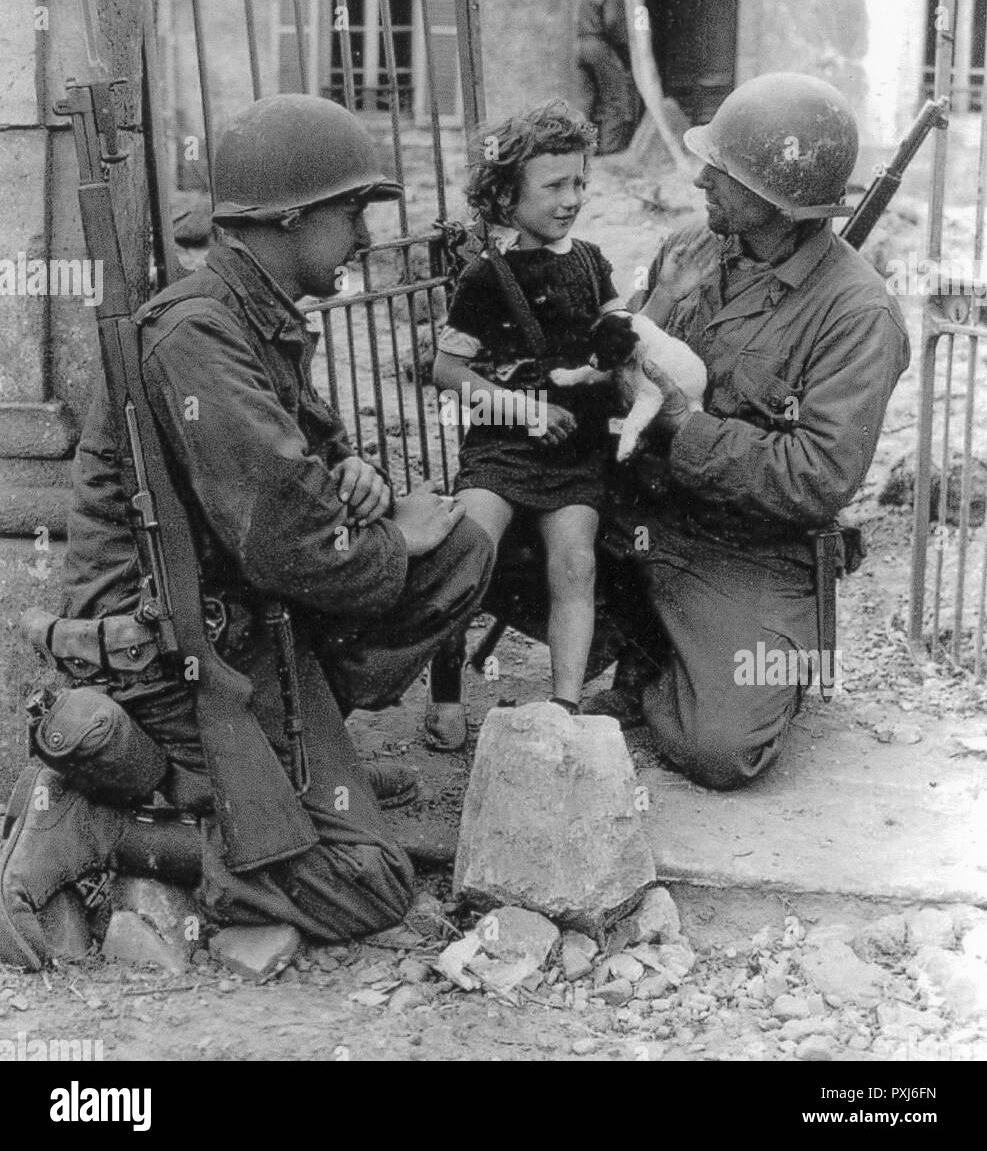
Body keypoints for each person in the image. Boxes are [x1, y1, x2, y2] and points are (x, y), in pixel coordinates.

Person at [0, 94, 494, 969]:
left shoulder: (253, 318)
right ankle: (114, 823)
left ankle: (282, 762)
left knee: (458, 548)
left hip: (246, 618)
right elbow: (290, 542)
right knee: (372, 884)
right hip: (171, 653)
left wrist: (365, 482)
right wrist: (389, 539)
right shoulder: (198, 335)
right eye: (351, 213)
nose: (366, 238)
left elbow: (310, 473)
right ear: (289, 217)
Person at [594, 72, 911, 789]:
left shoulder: (858, 316)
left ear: (780, 202)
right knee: (486, 545)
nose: (702, 178)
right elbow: (629, 348)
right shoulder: (692, 248)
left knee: (722, 751)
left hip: (750, 551)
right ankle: (651, 644)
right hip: (640, 512)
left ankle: (700, 664)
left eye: (725, 172)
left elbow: (813, 476)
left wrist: (683, 427)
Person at [430, 100, 625, 748]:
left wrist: (613, 356)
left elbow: (616, 332)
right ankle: (447, 696)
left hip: (573, 456)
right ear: (506, 198)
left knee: (574, 564)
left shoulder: (591, 262)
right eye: (554, 186)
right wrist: (521, 407)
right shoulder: (487, 277)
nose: (572, 198)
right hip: (500, 451)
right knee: (464, 552)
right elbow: (448, 372)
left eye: (579, 182)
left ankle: (563, 706)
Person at [576, 0, 639, 155]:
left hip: (580, 45)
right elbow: (612, 24)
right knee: (615, 99)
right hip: (600, 46)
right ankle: (609, 150)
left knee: (588, 101)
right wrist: (625, 50)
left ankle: (585, 149)